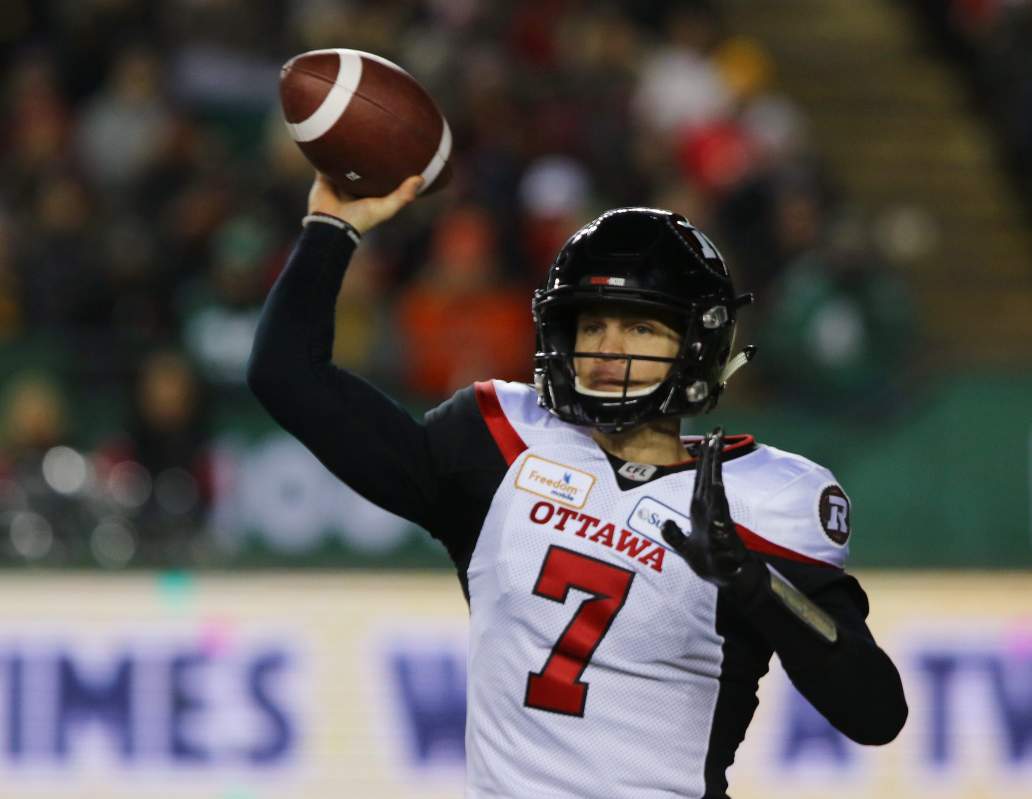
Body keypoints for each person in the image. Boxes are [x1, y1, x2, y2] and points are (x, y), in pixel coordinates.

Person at [248, 173, 907, 798]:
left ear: (699, 343)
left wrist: (755, 585)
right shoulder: (501, 447)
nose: (607, 348)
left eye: (639, 326)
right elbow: (287, 375)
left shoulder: (765, 500)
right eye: (592, 324)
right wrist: (331, 227)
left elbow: (877, 712)